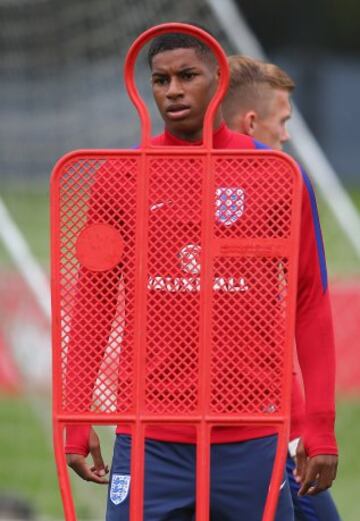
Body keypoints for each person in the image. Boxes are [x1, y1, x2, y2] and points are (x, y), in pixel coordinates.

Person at [65, 29, 338, 521]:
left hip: (252, 433)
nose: (173, 90)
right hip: (149, 435)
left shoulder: (275, 173)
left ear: (219, 79)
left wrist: (319, 426)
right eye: (161, 79)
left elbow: (309, 299)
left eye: (187, 76)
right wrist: (78, 416)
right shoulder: (121, 175)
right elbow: (93, 301)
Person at [223, 54, 342, 521]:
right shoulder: (259, 190)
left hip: (282, 425)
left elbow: (307, 302)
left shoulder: (281, 193)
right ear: (251, 123)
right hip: (251, 435)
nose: (287, 134)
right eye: (283, 121)